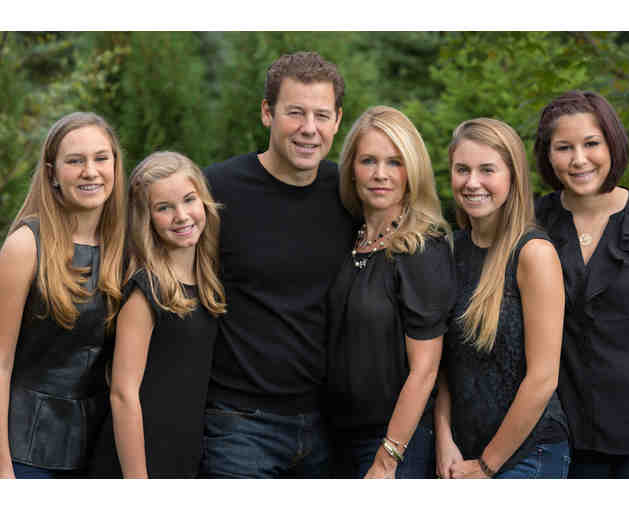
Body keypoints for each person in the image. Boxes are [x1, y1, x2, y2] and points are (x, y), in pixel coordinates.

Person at [200, 51, 355, 478]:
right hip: (239, 425)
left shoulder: (349, 193)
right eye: (295, 113)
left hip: (327, 426)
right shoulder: (217, 190)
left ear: (338, 121)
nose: (309, 128)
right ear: (267, 113)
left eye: (322, 115)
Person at [534, 90, 629, 478]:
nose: (579, 159)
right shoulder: (531, 223)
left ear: (612, 144)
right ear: (548, 155)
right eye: (564, 147)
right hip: (564, 438)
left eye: (591, 143)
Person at [435, 118, 569, 479]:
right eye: (462, 169)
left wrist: (486, 465)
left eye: (487, 170)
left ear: (513, 177)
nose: (472, 182)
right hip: (460, 451)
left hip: (528, 453)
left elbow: (543, 378)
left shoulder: (533, 254)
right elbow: (444, 365)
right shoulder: (451, 250)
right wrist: (444, 439)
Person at [326, 105, 455, 479]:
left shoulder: (421, 249)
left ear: (411, 171)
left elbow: (425, 370)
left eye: (394, 162)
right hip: (335, 438)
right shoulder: (348, 239)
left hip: (395, 444)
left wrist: (387, 458)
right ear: (352, 168)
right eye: (368, 161)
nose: (380, 174)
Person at [0, 112, 126, 478]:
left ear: (115, 165)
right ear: (52, 173)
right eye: (75, 161)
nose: (90, 171)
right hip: (26, 453)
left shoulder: (126, 246)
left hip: (99, 452)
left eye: (101, 158)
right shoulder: (25, 246)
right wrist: (3, 470)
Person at [89, 151, 226, 478]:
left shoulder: (207, 282)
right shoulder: (146, 290)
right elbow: (123, 394)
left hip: (183, 454)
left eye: (189, 200)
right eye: (164, 208)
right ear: (146, 219)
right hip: (137, 461)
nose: (181, 216)